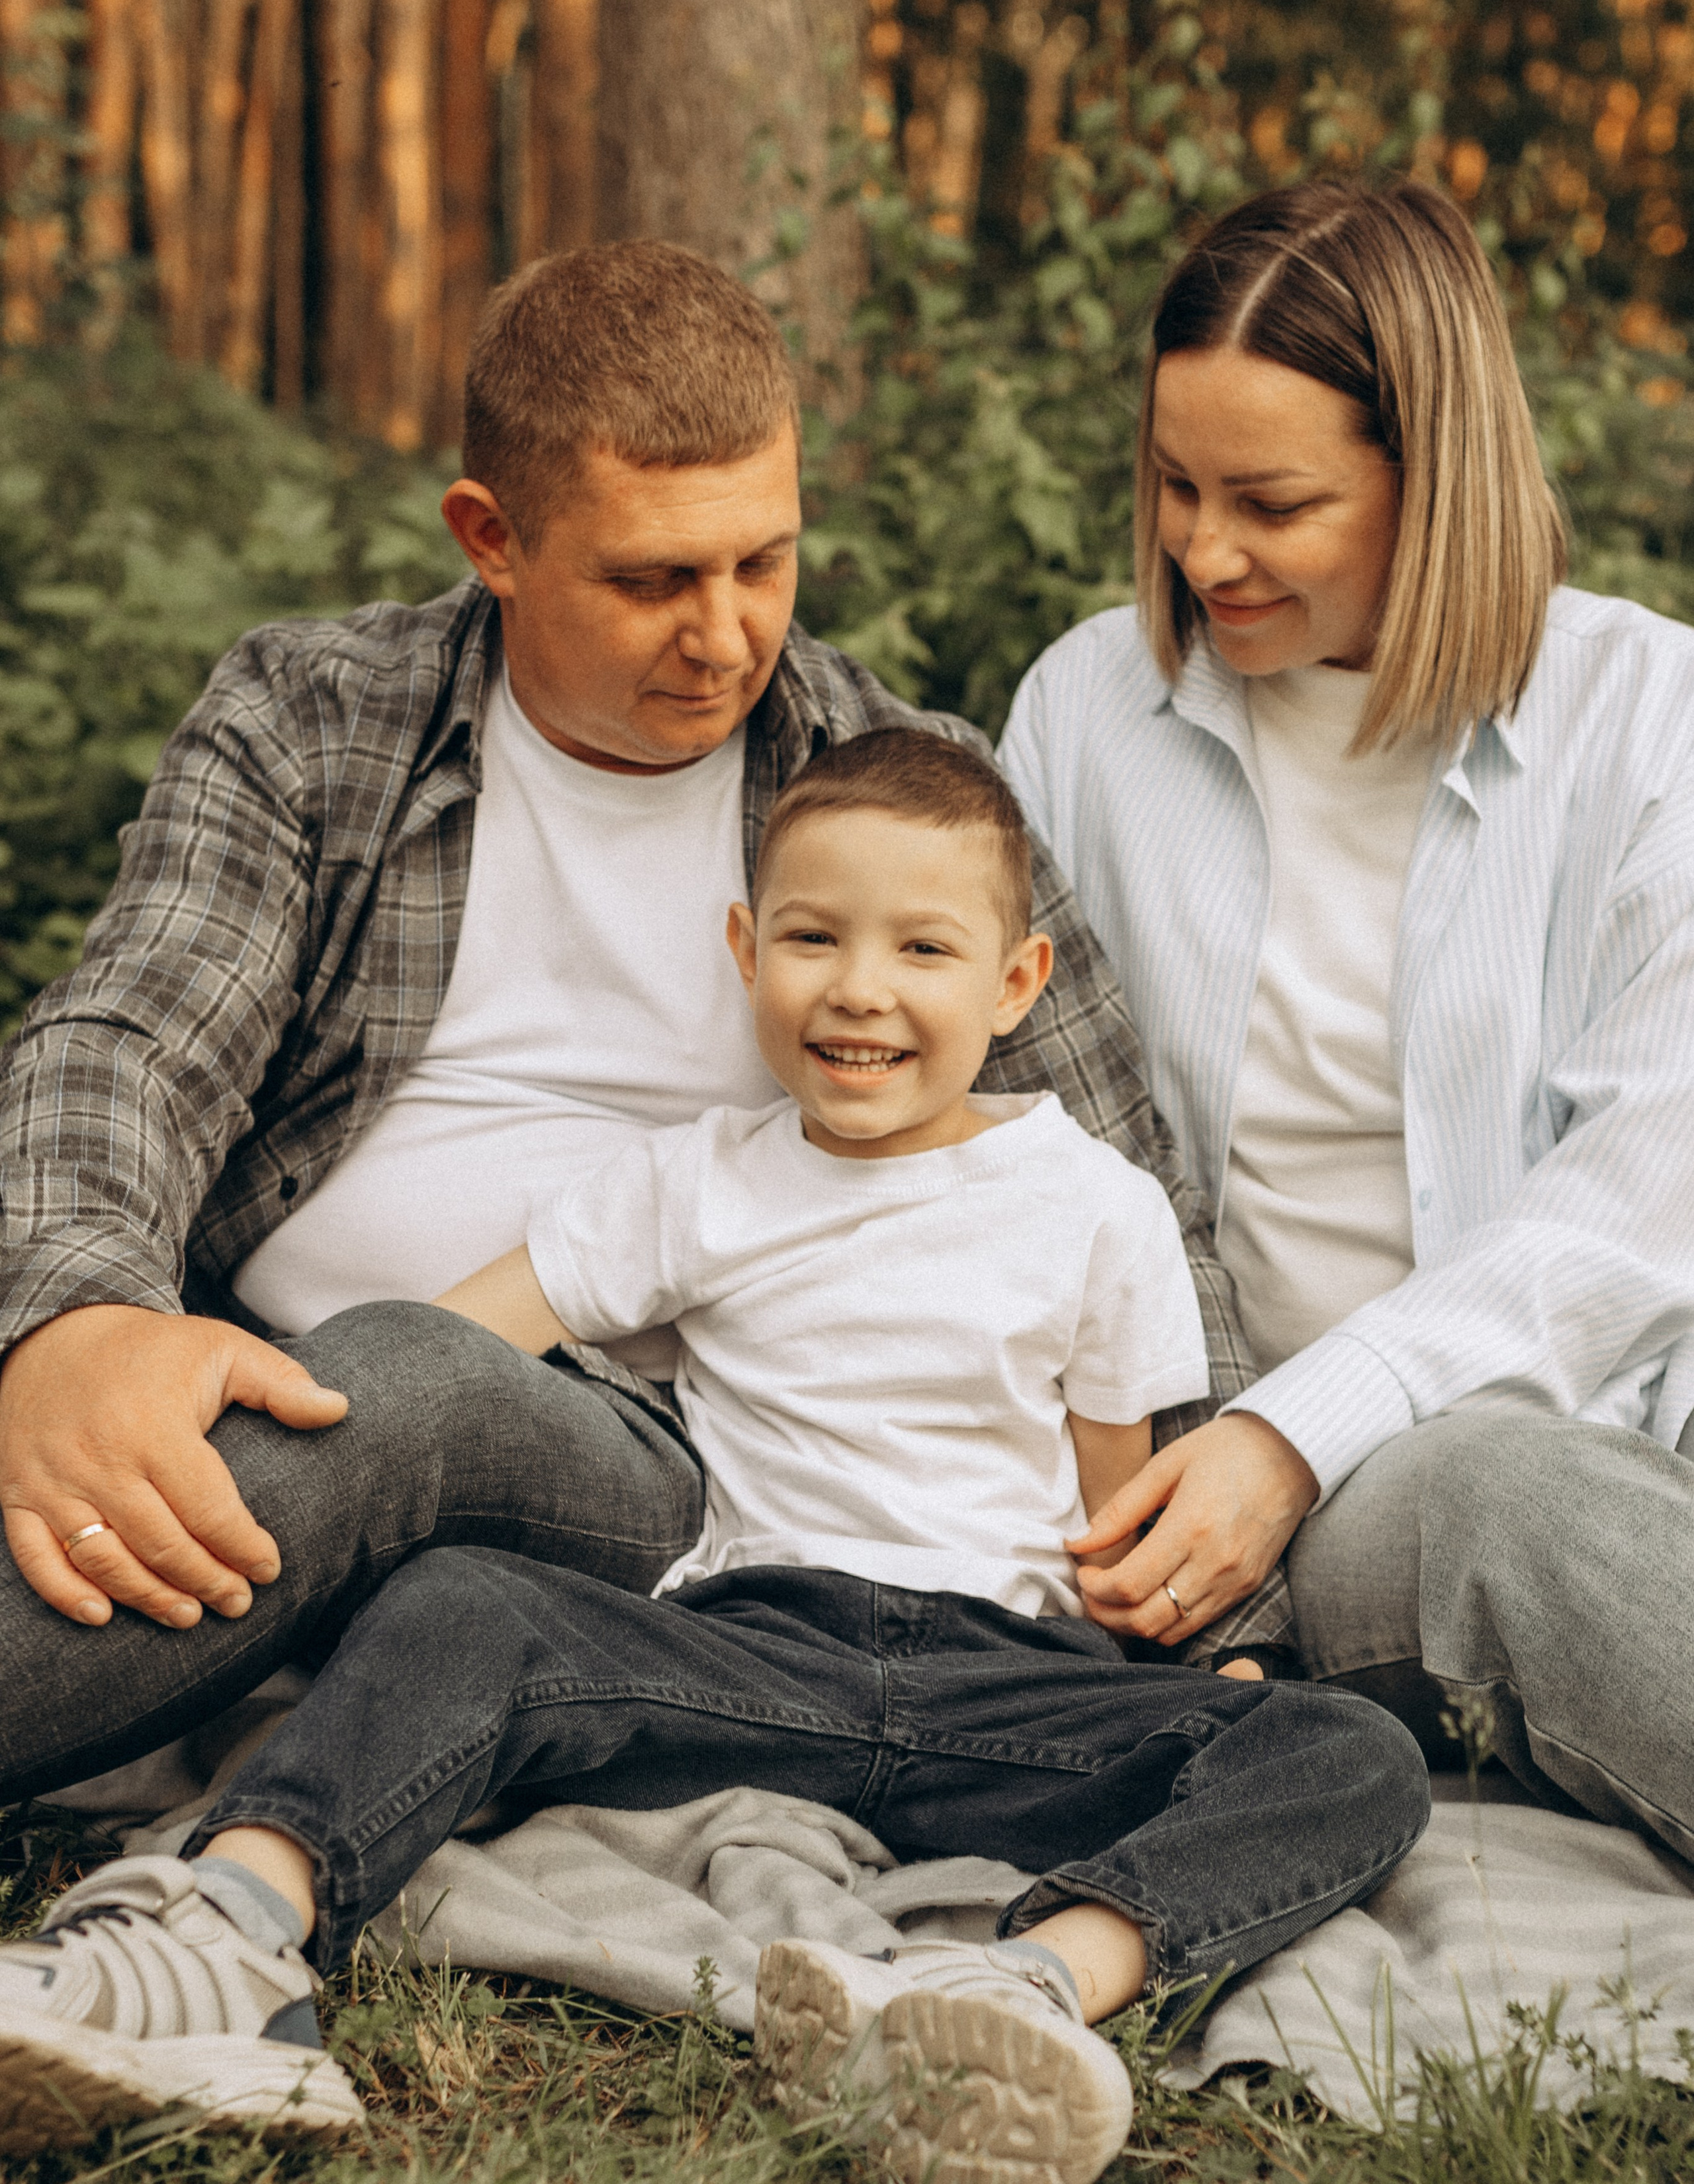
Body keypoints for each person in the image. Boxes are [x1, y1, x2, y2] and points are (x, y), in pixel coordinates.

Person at [0, 733, 1429, 2175]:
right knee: (466, 1605)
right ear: (746, 951)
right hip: (746, 1651)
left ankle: (1017, 1987)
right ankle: (224, 1934)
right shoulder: (697, 1180)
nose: (859, 987)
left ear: (1015, 983)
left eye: (923, 948)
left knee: (1348, 1747)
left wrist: (1212, 1671)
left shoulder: (1097, 1203)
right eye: (812, 938)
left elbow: (1124, 1510)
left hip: (1006, 1679)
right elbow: (446, 1350)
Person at [0, 242, 1289, 1805]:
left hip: (663, 1460)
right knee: (121, 1368)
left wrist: (1228, 1615)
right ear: (492, 537)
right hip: (252, 1359)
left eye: (763, 562)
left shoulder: (888, 793)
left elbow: (1124, 1192)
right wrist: (77, 1325)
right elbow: (128, 1041)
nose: (726, 635)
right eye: (653, 579)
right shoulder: (316, 719)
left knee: (408, 1385)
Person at [997, 179, 1694, 1854]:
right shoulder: (1086, 714)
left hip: (1619, 1403)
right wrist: (1266, 1438)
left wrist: (1293, 1433)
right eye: (1174, 484)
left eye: (1272, 501)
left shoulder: (1646, 716)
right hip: (1348, 1497)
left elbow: (1629, 1210)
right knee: (1505, 1496)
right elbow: (1002, 1139)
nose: (1201, 550)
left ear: (1432, 480)